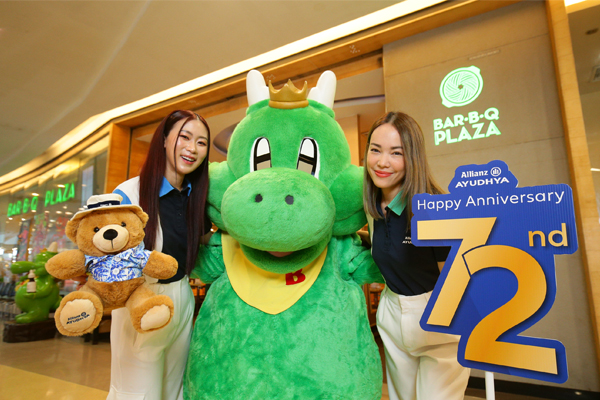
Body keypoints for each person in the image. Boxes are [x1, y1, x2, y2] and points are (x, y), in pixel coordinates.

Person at [363, 111, 469, 400]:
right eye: (375, 150)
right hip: (392, 313)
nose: (382, 162)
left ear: (413, 158)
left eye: (396, 153)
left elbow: (455, 280)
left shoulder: (434, 207)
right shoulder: (372, 206)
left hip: (437, 317)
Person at [108, 110, 211, 400]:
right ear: (164, 139)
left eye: (201, 142)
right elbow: (105, 257)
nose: (192, 148)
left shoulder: (194, 197)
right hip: (142, 301)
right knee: (137, 393)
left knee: (175, 391)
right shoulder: (129, 193)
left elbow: (207, 244)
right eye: (184, 137)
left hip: (182, 297)